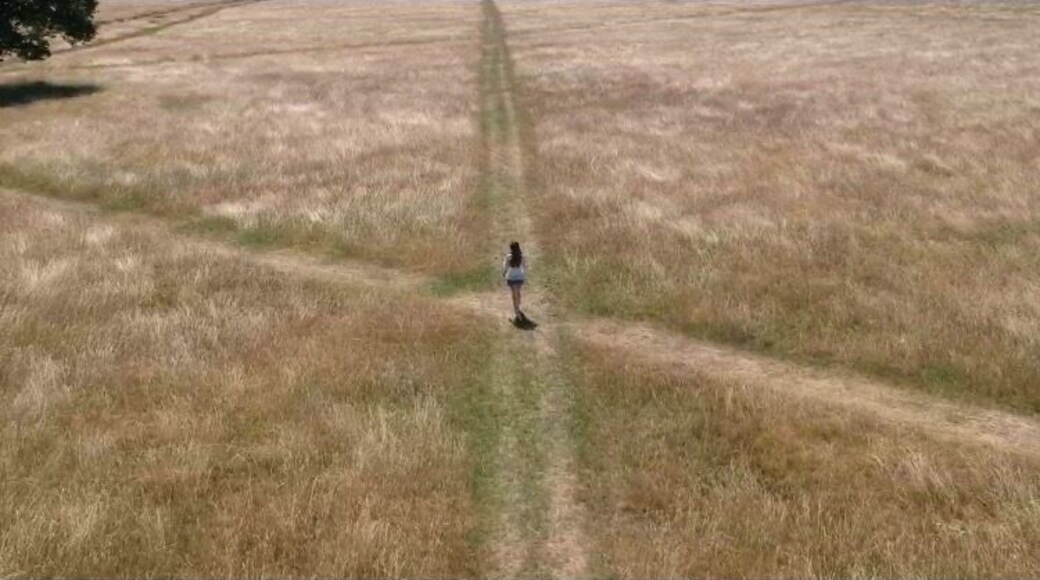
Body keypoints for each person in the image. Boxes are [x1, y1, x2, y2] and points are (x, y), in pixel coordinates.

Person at [502, 241, 528, 323]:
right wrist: (524, 275)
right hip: (520, 277)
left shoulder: (508, 257)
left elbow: (505, 267)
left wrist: (504, 273)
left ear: (511, 248)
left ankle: (516, 311)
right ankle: (518, 304)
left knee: (514, 294)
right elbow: (525, 267)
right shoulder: (522, 256)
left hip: (511, 278)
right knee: (518, 291)